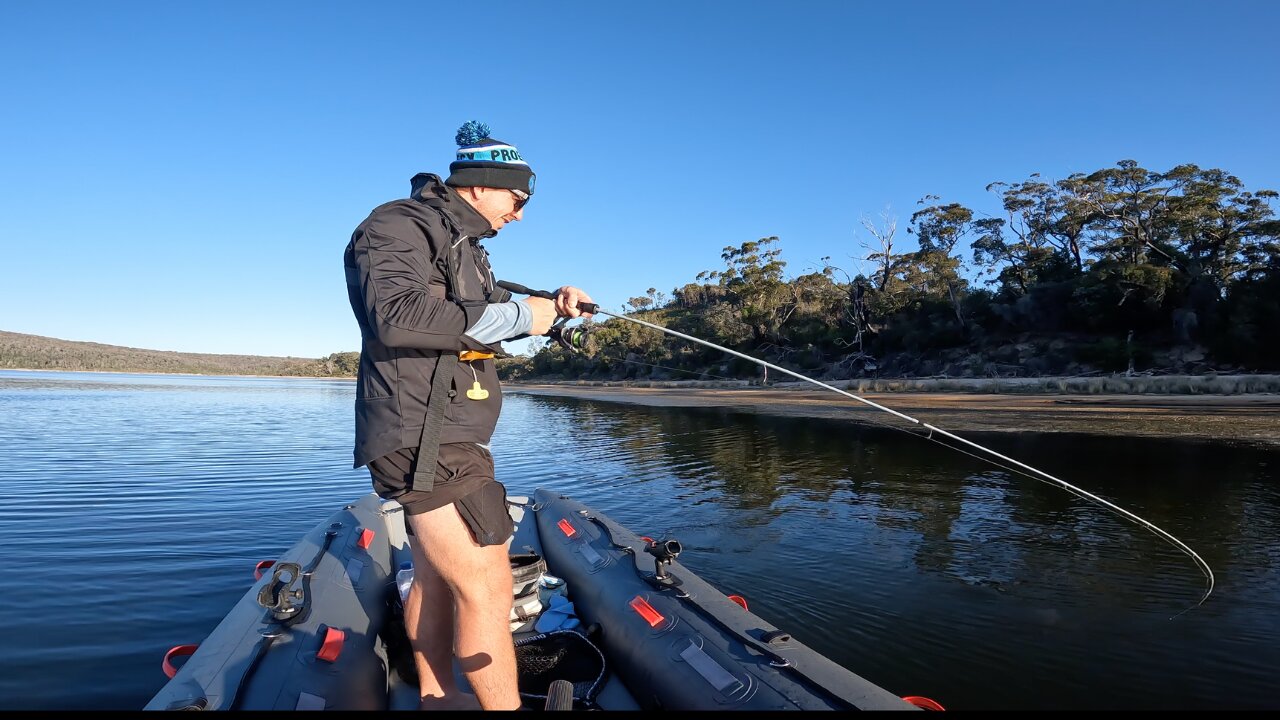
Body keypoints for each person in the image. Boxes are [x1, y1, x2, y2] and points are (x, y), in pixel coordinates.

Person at [343, 121, 593, 710]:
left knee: (434, 577)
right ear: (481, 185)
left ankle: (436, 697)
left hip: (443, 429)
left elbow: (477, 312)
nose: (521, 214)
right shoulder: (397, 225)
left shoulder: (465, 248)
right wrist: (519, 319)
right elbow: (399, 314)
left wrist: (550, 311)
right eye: (518, 199)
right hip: (423, 431)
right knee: (486, 585)